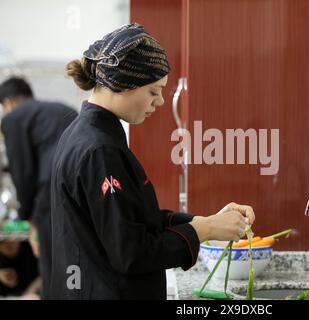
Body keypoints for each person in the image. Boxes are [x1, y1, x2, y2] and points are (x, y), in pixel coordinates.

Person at [50, 23, 255, 300]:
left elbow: (133, 221)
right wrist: (204, 230)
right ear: (123, 83)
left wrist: (210, 222)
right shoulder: (99, 149)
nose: (159, 102)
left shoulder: (86, 134)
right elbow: (131, 252)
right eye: (153, 91)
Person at [0, 77, 78, 298]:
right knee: (75, 257)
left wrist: (28, 218)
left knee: (51, 263)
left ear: (8, 103)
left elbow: (22, 171)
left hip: (51, 192)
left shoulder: (14, 118)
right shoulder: (63, 109)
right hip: (80, 188)